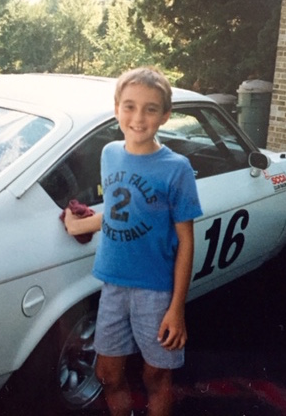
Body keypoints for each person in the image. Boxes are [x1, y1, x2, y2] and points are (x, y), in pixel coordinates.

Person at [64, 67, 202, 416]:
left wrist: (177, 308)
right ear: (116, 108)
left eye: (150, 108)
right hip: (112, 283)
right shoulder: (110, 153)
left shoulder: (176, 168)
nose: (138, 117)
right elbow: (119, 210)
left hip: (156, 291)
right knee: (107, 374)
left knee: (156, 376)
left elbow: (186, 241)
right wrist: (82, 225)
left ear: (166, 115)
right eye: (129, 106)